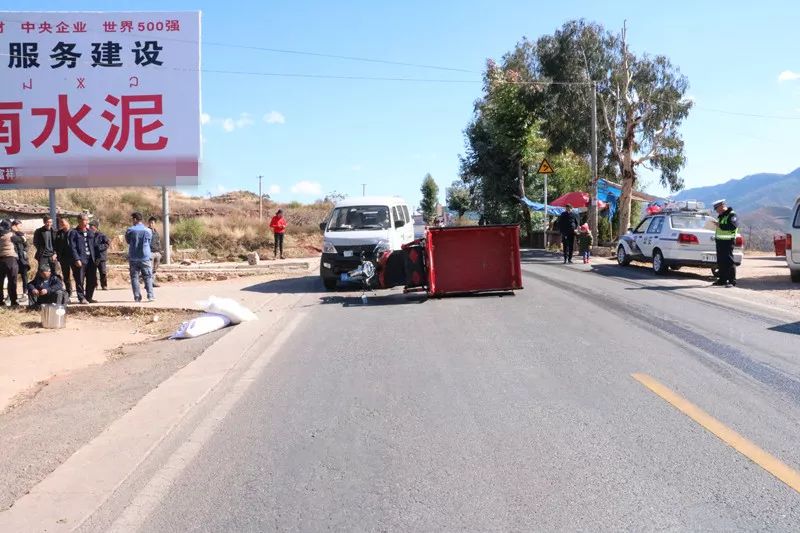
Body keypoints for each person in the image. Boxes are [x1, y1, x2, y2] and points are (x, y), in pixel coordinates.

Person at [125, 212, 155, 302]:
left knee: (134, 277)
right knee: (148, 277)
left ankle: (137, 297)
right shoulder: (148, 230)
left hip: (133, 257)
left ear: (134, 219)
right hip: (145, 256)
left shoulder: (130, 230)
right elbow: (149, 242)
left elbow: (128, 241)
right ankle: (150, 296)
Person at [68, 213, 97, 304]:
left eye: (87, 220)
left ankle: (89, 297)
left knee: (92, 280)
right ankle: (81, 298)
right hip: (80, 260)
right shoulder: (73, 232)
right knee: (80, 280)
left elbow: (94, 246)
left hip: (91, 260)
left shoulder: (90, 232)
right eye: (84, 220)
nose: (86, 222)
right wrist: (77, 259)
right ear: (79, 221)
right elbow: (72, 247)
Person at [712, 199, 739, 288]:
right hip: (720, 241)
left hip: (728, 241)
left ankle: (732, 281)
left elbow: (732, 226)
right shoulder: (721, 216)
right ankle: (722, 280)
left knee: (729, 261)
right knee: (721, 261)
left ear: (722, 206)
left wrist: (719, 225)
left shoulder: (732, 215)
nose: (716, 211)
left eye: (717, 208)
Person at [0, 219, 20, 308]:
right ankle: (13, 301)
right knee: (12, 281)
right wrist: (17, 231)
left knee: (0, 282)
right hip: (10, 259)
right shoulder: (11, 235)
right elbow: (22, 240)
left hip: (0, 260)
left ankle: (0, 301)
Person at [11, 220, 30, 303]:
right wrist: (22, 238)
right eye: (20, 225)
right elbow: (14, 241)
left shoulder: (22, 235)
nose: (21, 227)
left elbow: (26, 245)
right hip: (14, 259)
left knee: (24, 277)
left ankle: (25, 293)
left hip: (23, 259)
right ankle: (10, 294)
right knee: (12, 277)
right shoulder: (10, 234)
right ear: (14, 225)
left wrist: (24, 251)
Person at [55, 217, 74, 300]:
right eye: (60, 223)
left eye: (63, 222)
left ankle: (80, 292)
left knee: (77, 275)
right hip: (63, 257)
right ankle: (69, 291)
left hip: (73, 257)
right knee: (66, 276)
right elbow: (56, 245)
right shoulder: (59, 233)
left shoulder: (73, 232)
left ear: (68, 223)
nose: (62, 224)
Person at [89, 220, 110, 290]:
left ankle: (104, 285)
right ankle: (94, 285)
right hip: (93, 257)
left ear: (95, 227)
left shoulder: (102, 235)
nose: (90, 227)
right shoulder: (89, 235)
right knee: (92, 273)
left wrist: (99, 247)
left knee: (103, 272)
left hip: (101, 256)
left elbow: (107, 244)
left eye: (91, 226)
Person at [147, 216, 162, 287]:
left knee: (154, 269)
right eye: (150, 223)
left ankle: (152, 282)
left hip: (157, 253)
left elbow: (158, 242)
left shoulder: (156, 233)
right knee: (149, 268)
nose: (151, 224)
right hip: (150, 252)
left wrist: (159, 252)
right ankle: (149, 283)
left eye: (152, 223)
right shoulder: (146, 232)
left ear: (155, 224)